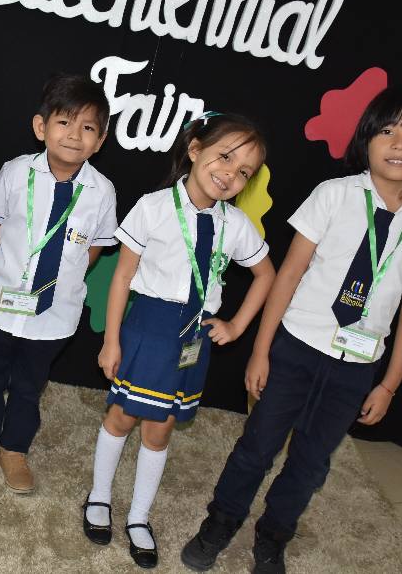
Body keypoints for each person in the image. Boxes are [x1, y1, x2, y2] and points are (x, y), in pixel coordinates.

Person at [180, 86, 402, 574]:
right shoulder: (333, 196)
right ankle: (220, 522)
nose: (400, 143)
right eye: (387, 130)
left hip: (356, 367)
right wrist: (260, 350)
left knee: (311, 462)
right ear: (367, 139)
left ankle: (274, 535)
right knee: (257, 446)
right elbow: (288, 274)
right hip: (297, 349)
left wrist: (388, 384)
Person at [83, 113, 276, 569]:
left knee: (162, 425)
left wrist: (235, 326)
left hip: (194, 336)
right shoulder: (152, 206)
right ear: (195, 149)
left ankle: (139, 516)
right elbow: (122, 277)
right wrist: (112, 340)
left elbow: (266, 275)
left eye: (244, 170)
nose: (231, 173)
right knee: (123, 415)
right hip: (147, 327)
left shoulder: (236, 225)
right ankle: (98, 497)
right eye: (224, 157)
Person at [0, 74, 118, 494]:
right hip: (0, 306)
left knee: (28, 389)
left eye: (88, 128)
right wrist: (14, 265)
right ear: (41, 127)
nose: (74, 136)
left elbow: (93, 248)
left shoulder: (102, 192)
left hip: (53, 317)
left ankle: (14, 450)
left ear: (100, 140)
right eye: (64, 123)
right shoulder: (14, 172)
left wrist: (59, 275)